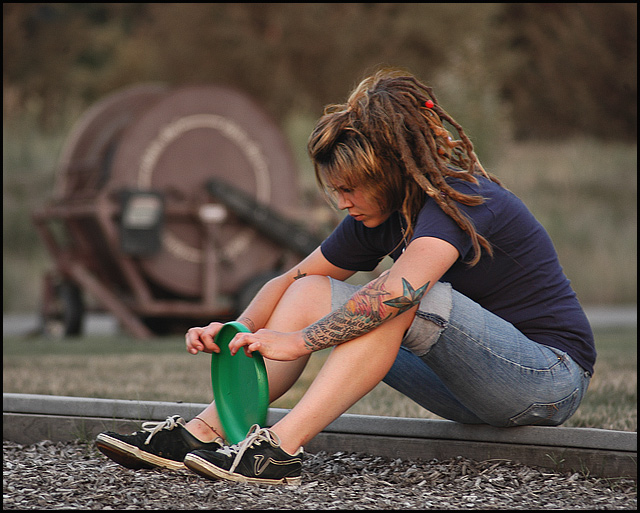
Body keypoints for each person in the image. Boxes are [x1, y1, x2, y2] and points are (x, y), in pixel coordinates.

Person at [96, 68, 595, 486]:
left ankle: (281, 450)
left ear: (390, 170)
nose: (341, 201)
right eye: (336, 190)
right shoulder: (376, 215)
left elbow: (401, 291)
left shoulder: (459, 198)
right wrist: (236, 328)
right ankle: (206, 431)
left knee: (404, 295)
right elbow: (289, 281)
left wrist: (299, 342)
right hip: (470, 388)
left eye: (351, 188)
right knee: (309, 289)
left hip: (546, 379)